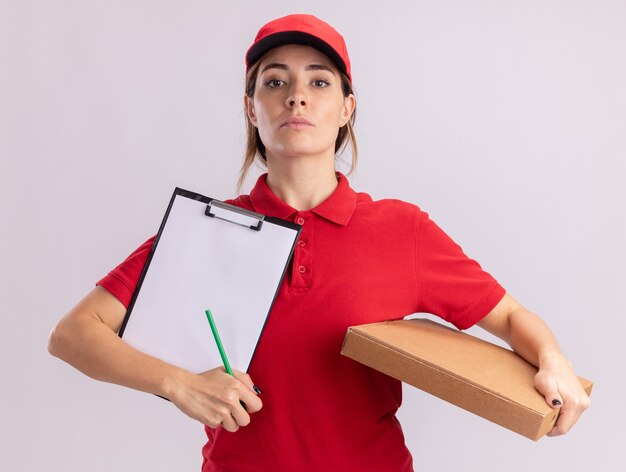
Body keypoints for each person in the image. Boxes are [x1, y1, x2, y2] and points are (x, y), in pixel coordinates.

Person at [48, 14, 590, 472]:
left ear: (347, 108)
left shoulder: (402, 230)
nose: (297, 97)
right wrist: (178, 383)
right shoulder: (206, 231)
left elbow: (511, 316)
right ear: (250, 107)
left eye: (320, 81)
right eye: (275, 82)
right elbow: (74, 333)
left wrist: (552, 359)